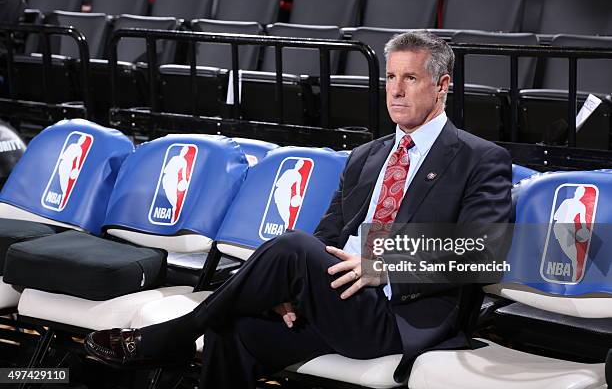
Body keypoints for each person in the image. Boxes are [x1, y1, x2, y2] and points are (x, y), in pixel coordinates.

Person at [85, 31, 512, 387]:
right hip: (336, 299)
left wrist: (384, 264)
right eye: (390, 78)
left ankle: (176, 333)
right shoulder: (366, 155)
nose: (396, 91)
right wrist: (288, 294)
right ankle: (197, 327)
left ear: (442, 86)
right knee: (231, 330)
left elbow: (483, 252)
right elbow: (326, 238)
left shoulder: (479, 158)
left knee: (291, 247)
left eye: (411, 78)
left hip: (397, 315)